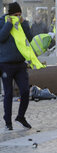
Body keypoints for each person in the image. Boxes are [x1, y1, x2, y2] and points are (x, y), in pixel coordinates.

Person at [0, 2, 43, 130]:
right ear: (9, 14)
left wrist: (23, 23)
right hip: (5, 64)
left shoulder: (22, 23)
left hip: (20, 64)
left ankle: (21, 116)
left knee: (25, 91)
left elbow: (30, 38)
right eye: (15, 15)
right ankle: (8, 121)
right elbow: (1, 37)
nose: (18, 17)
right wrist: (9, 23)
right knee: (8, 94)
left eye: (19, 14)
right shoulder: (2, 22)